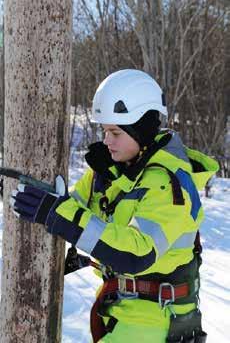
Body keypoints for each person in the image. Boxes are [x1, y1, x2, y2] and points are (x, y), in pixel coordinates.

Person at [11, 69, 219, 342]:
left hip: (158, 323)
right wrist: (30, 196)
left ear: (141, 130)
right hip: (122, 313)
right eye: (105, 130)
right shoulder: (115, 172)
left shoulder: (169, 185)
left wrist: (57, 214)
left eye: (115, 132)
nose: (106, 140)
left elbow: (136, 253)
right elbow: (69, 204)